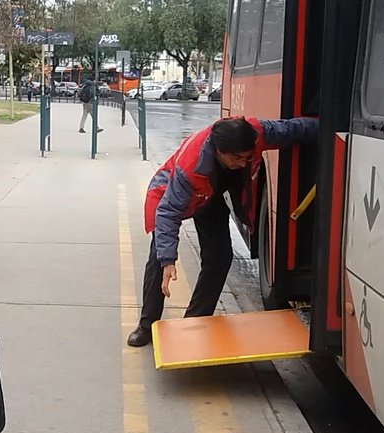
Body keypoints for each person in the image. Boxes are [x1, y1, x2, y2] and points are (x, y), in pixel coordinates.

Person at [126, 116, 319, 347]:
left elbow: (292, 130)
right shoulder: (191, 167)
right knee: (160, 260)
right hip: (170, 197)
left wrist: (331, 124)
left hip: (211, 197)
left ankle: (195, 321)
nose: (243, 163)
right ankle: (146, 325)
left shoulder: (254, 134)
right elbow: (168, 212)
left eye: (248, 157)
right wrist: (169, 260)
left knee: (219, 257)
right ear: (219, 151)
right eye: (237, 158)